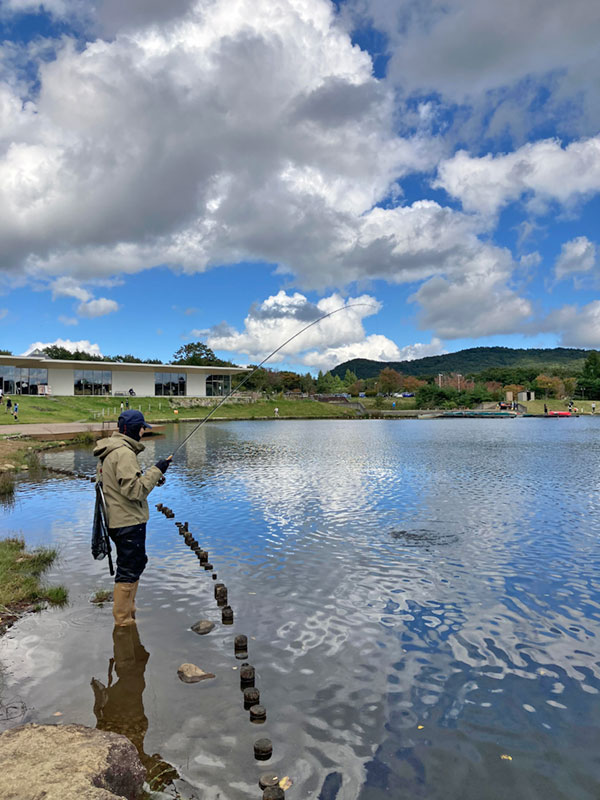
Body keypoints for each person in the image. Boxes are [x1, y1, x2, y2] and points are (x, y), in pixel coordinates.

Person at [93, 410, 171, 626]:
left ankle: (129, 611)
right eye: (143, 427)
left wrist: (153, 476)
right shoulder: (124, 454)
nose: (144, 431)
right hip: (128, 521)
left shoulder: (111, 450)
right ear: (137, 429)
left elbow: (123, 484)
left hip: (118, 519)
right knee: (129, 569)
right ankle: (123, 622)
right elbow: (135, 492)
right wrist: (157, 470)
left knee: (135, 564)